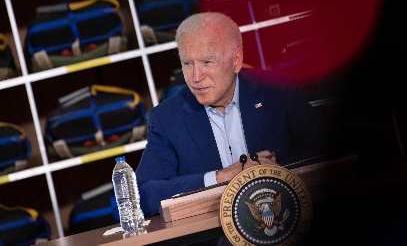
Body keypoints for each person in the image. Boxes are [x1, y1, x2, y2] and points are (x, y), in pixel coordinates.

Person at [135, 11, 339, 218]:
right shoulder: (166, 119)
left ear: (236, 60)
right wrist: (221, 177)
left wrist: (266, 174)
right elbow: (144, 195)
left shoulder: (277, 91)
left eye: (207, 62)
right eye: (188, 63)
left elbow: (332, 148)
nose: (196, 77)